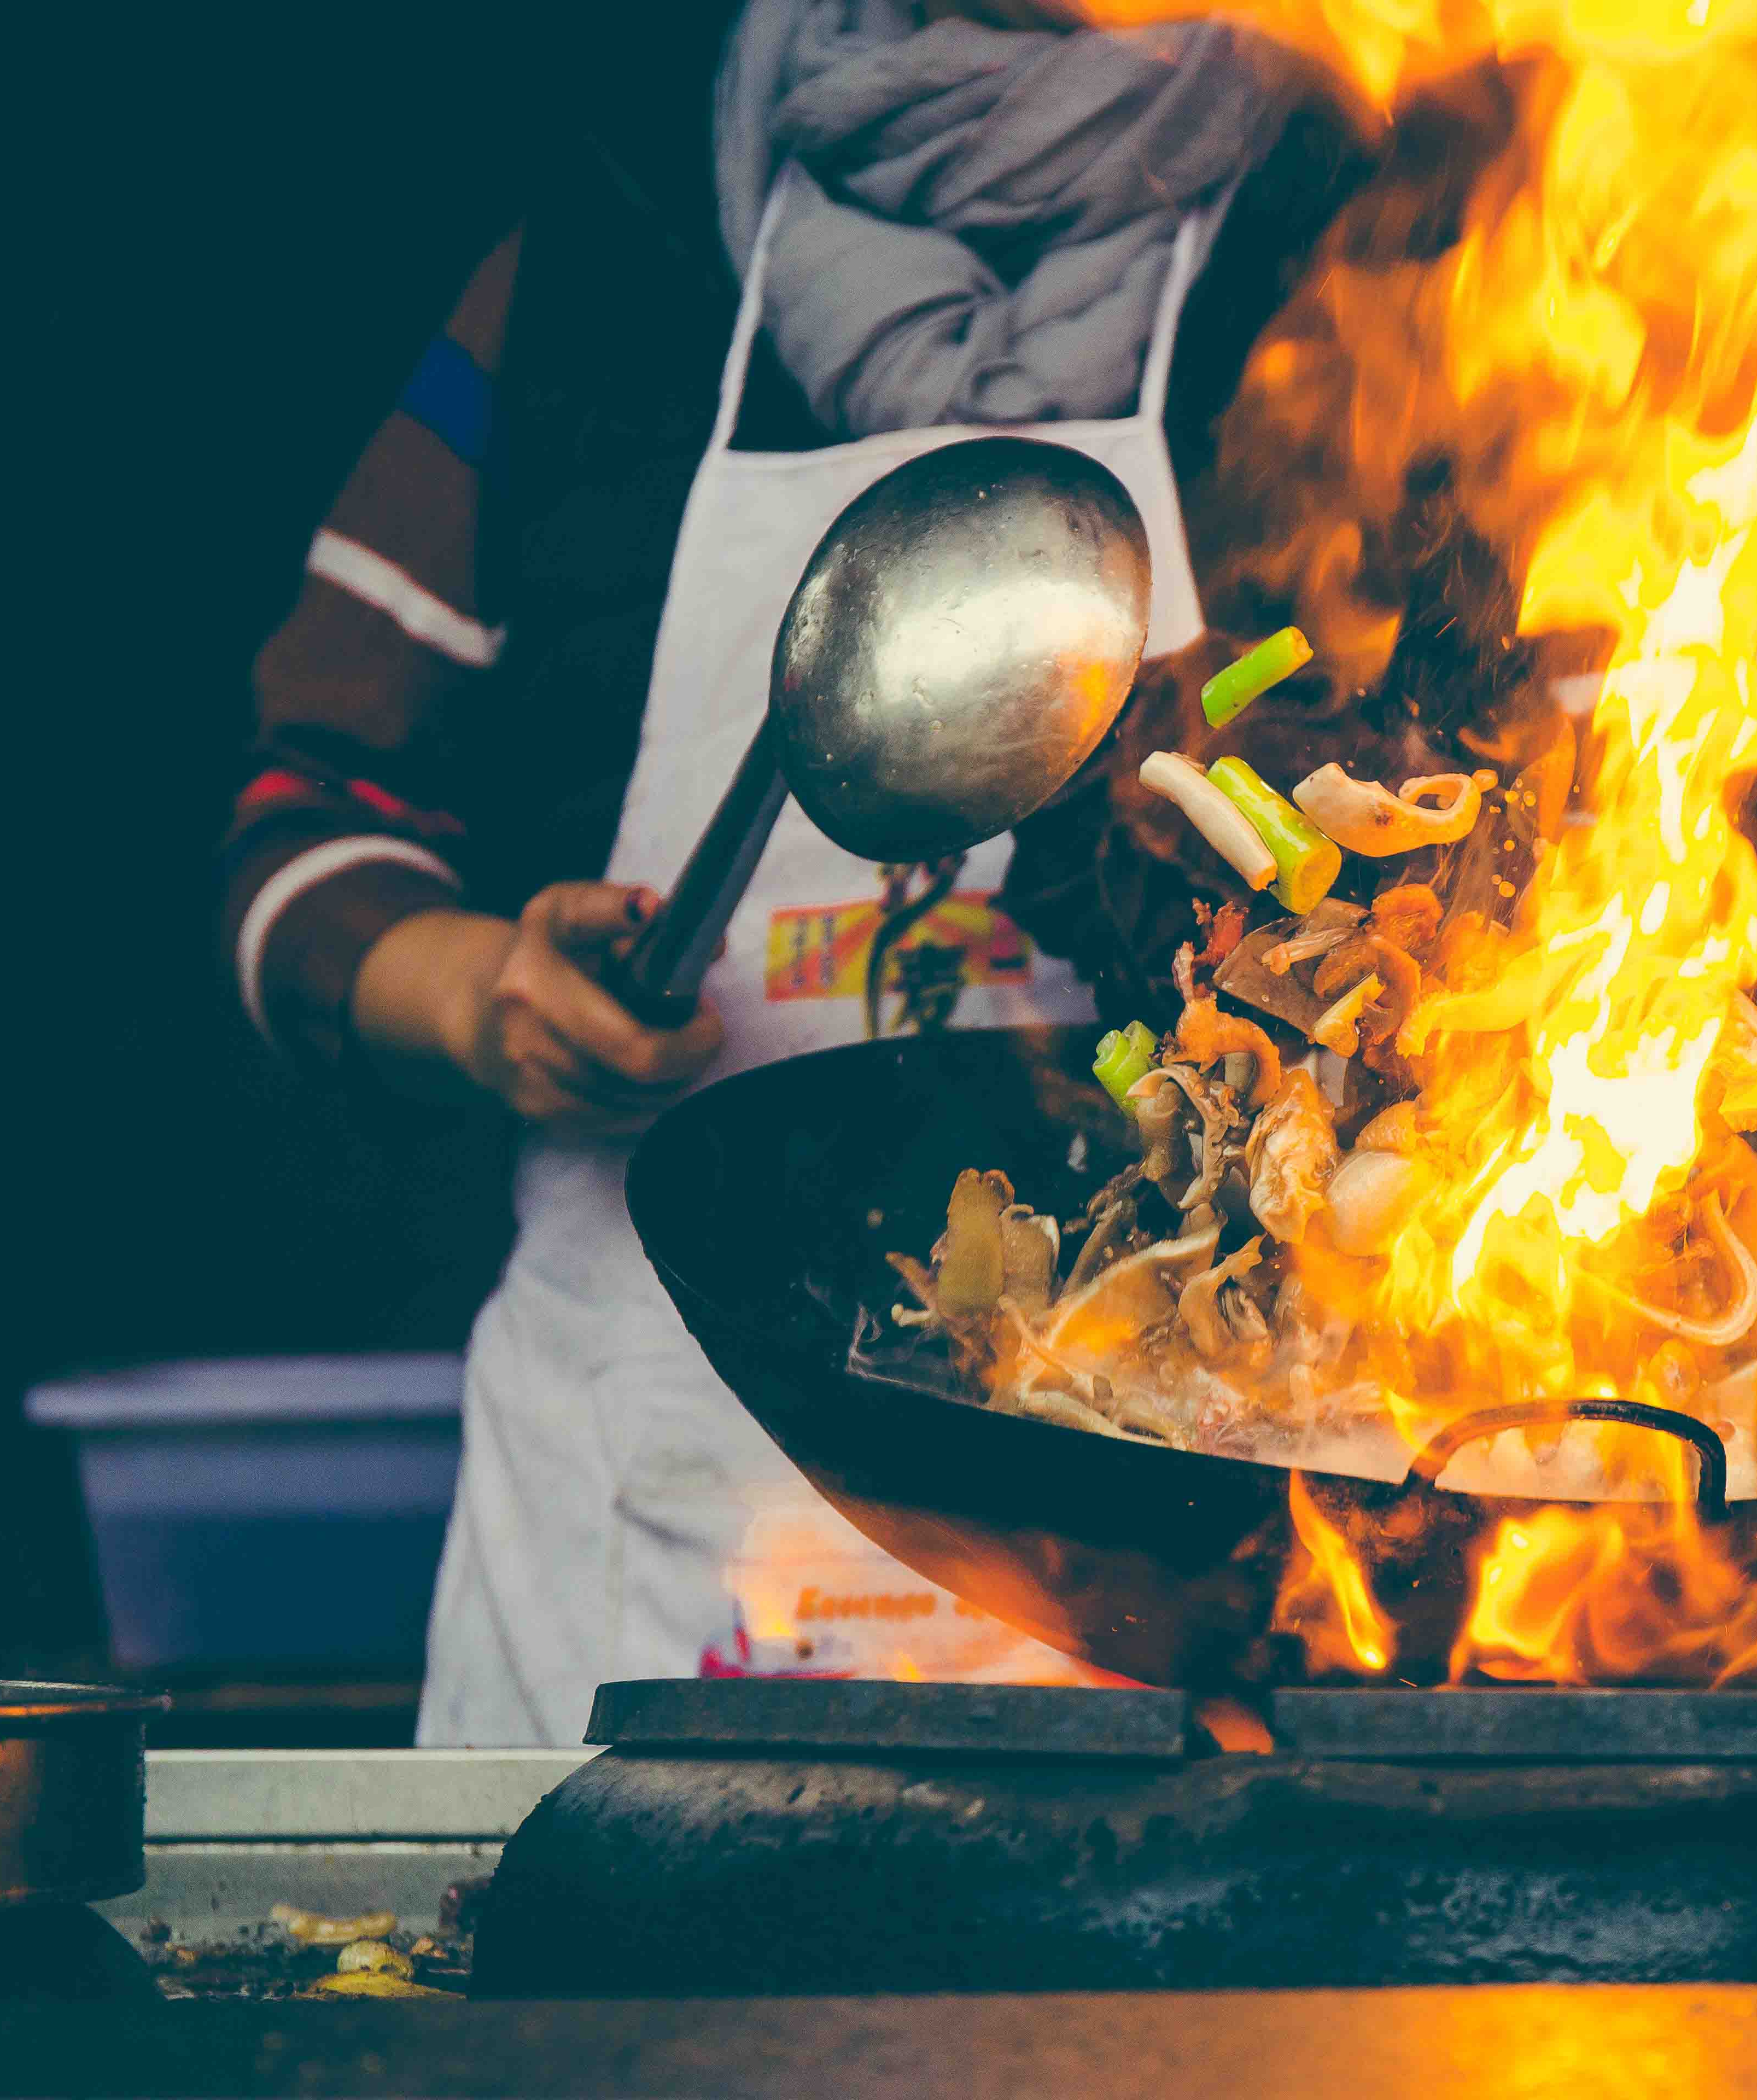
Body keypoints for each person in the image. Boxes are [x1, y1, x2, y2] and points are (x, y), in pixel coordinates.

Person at [220, 1, 1339, 1743]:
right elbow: (305, 814)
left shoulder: (1358, 243)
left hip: (1164, 1563)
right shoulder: (616, 248)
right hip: (637, 1529)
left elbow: (1594, 914)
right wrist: (475, 988)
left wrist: (1282, 874)